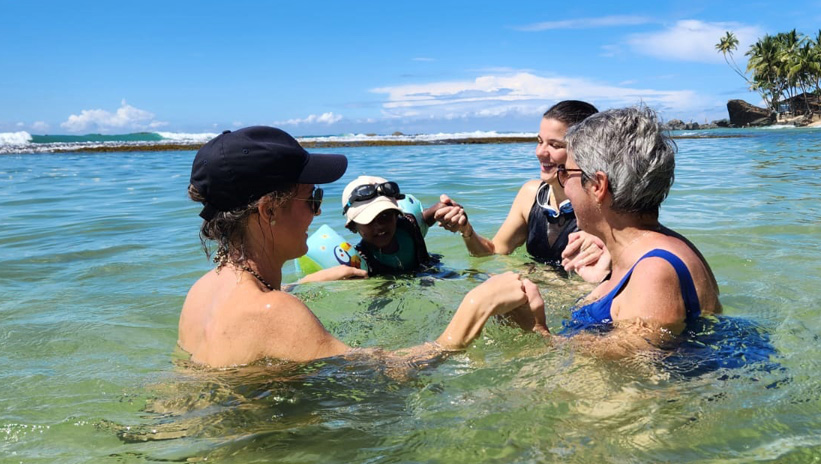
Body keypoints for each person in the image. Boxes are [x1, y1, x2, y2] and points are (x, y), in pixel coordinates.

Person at [178, 127, 541, 368]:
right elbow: (389, 375)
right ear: (269, 210)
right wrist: (477, 307)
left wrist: (309, 281)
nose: (317, 213)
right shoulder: (275, 311)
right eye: (312, 199)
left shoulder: (203, 291)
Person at [555, 106, 722, 353]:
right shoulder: (668, 246)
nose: (564, 185)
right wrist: (597, 284)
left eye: (565, 172)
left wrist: (534, 329)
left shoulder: (654, 271)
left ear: (598, 185)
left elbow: (639, 368)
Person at [433, 100, 599, 267]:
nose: (540, 152)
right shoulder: (530, 194)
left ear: (585, 150)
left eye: (554, 145)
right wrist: (466, 230)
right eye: (540, 141)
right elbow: (494, 251)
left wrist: (539, 276)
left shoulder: (601, 205)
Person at [340, 175, 442, 276]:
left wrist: (447, 211)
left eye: (385, 215)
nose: (379, 225)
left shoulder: (409, 225)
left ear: (397, 215)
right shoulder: (361, 262)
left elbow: (434, 212)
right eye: (368, 219)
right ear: (352, 227)